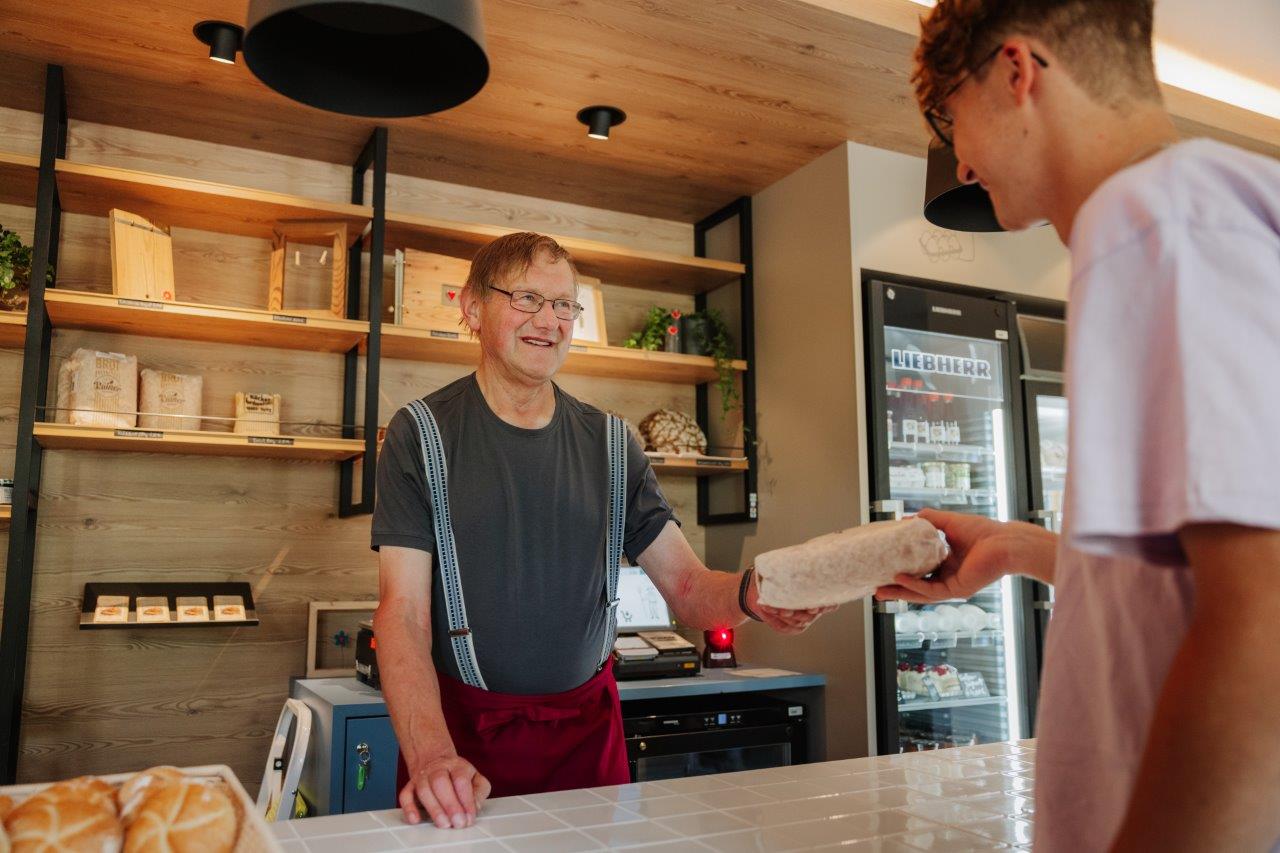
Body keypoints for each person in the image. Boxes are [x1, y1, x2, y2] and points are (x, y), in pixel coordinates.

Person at [877, 1, 1280, 849]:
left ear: (1018, 72)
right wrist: (1019, 547)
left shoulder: (1156, 217)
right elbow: (1197, 577)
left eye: (953, 118)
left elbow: (1265, 616)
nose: (960, 158)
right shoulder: (1190, 211)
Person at [371, 231, 833, 830]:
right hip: (462, 746)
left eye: (565, 305)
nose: (550, 321)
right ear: (472, 309)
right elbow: (403, 612)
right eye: (528, 299)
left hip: (587, 741)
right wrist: (432, 756)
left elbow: (689, 589)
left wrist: (752, 593)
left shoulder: (613, 446)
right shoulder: (421, 434)